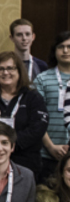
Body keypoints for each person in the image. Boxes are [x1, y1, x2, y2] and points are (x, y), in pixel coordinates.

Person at [32, 31, 70, 175]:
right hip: (46, 153)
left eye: (69, 47)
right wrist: (50, 146)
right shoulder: (42, 79)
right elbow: (36, 117)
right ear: (54, 51)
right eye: (61, 47)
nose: (65, 51)